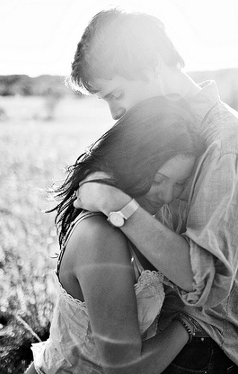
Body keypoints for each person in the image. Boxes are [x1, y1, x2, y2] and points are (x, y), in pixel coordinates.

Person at [69, 8, 238, 374]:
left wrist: (118, 205)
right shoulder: (161, 133)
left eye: (116, 93)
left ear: (151, 65)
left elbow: (203, 280)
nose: (115, 113)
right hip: (152, 334)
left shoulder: (228, 145)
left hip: (201, 350)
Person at [25, 96, 205, 374]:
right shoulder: (100, 237)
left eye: (179, 183)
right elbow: (125, 370)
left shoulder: (148, 220)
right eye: (157, 179)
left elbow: (193, 273)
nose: (168, 195)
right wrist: (191, 323)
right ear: (132, 162)